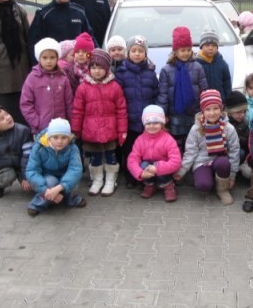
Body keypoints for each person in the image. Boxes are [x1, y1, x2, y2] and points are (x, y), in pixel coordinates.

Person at [71, 48, 127, 197]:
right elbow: (77, 111)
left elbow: (121, 111)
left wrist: (122, 131)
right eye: (93, 67)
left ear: (107, 69)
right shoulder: (83, 88)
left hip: (110, 130)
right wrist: (75, 130)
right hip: (91, 131)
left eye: (100, 68)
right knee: (95, 157)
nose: (96, 71)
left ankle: (110, 180)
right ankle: (97, 180)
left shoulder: (115, 87)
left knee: (110, 155)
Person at [174, 90, 240, 205]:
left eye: (215, 108)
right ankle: (209, 179)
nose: (212, 113)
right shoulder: (196, 129)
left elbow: (234, 152)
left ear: (221, 109)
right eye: (208, 109)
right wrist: (182, 170)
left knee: (224, 162)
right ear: (202, 111)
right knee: (203, 186)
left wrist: (233, 175)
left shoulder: (229, 128)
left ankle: (222, 190)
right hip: (202, 162)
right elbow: (190, 152)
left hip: (220, 161)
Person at [115, 35, 159, 188]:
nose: (137, 54)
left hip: (146, 122)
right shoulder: (121, 73)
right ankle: (130, 177)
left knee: (145, 151)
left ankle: (144, 176)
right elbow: (118, 97)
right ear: (128, 53)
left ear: (145, 54)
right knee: (129, 151)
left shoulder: (151, 73)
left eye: (140, 51)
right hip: (128, 121)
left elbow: (155, 94)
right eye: (133, 50)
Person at [157, 26, 208, 152]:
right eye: (182, 50)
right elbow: (163, 94)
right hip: (176, 114)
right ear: (175, 51)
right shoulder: (166, 70)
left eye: (188, 50)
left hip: (194, 112)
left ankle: (193, 166)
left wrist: (205, 109)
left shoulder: (198, 67)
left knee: (193, 141)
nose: (185, 53)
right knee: (177, 142)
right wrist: (163, 114)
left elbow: (204, 90)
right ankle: (177, 163)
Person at [25, 118, 86, 217]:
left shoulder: (73, 148)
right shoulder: (39, 147)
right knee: (51, 182)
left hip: (64, 175)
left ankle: (72, 199)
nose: (60, 141)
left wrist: (59, 188)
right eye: (56, 137)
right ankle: (37, 204)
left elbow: (76, 169)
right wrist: (46, 190)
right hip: (47, 176)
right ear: (49, 137)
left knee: (73, 180)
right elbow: (32, 171)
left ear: (69, 137)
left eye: (64, 137)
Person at [28, 0, 95, 63]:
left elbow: (90, 39)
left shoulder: (79, 12)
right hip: (52, 67)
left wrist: (91, 59)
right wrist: (40, 67)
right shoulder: (43, 14)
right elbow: (34, 44)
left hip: (79, 66)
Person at [127, 105, 182, 202]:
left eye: (156, 122)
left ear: (162, 123)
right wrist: (140, 173)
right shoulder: (140, 140)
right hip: (147, 169)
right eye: (148, 123)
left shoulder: (168, 139)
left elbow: (176, 161)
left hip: (164, 170)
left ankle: (168, 186)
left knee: (159, 167)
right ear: (144, 124)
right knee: (143, 164)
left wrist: (157, 168)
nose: (152, 126)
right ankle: (149, 185)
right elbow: (132, 159)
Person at [20, 38, 73, 135]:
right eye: (44, 58)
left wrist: (70, 123)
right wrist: (36, 122)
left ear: (57, 58)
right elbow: (26, 104)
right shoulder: (32, 78)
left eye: (52, 57)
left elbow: (69, 103)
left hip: (61, 127)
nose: (48, 61)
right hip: (42, 129)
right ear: (39, 58)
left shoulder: (63, 77)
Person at [196, 29, 232, 101]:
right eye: (207, 45)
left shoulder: (222, 64)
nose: (210, 48)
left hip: (219, 102)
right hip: (202, 102)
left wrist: (227, 99)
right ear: (201, 46)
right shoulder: (196, 64)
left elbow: (227, 84)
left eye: (214, 45)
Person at [224, 90, 250, 178]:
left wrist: (239, 140)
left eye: (244, 112)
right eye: (238, 112)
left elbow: (248, 142)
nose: (242, 115)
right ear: (230, 112)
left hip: (237, 151)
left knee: (241, 153)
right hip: (223, 152)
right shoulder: (224, 123)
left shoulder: (244, 124)